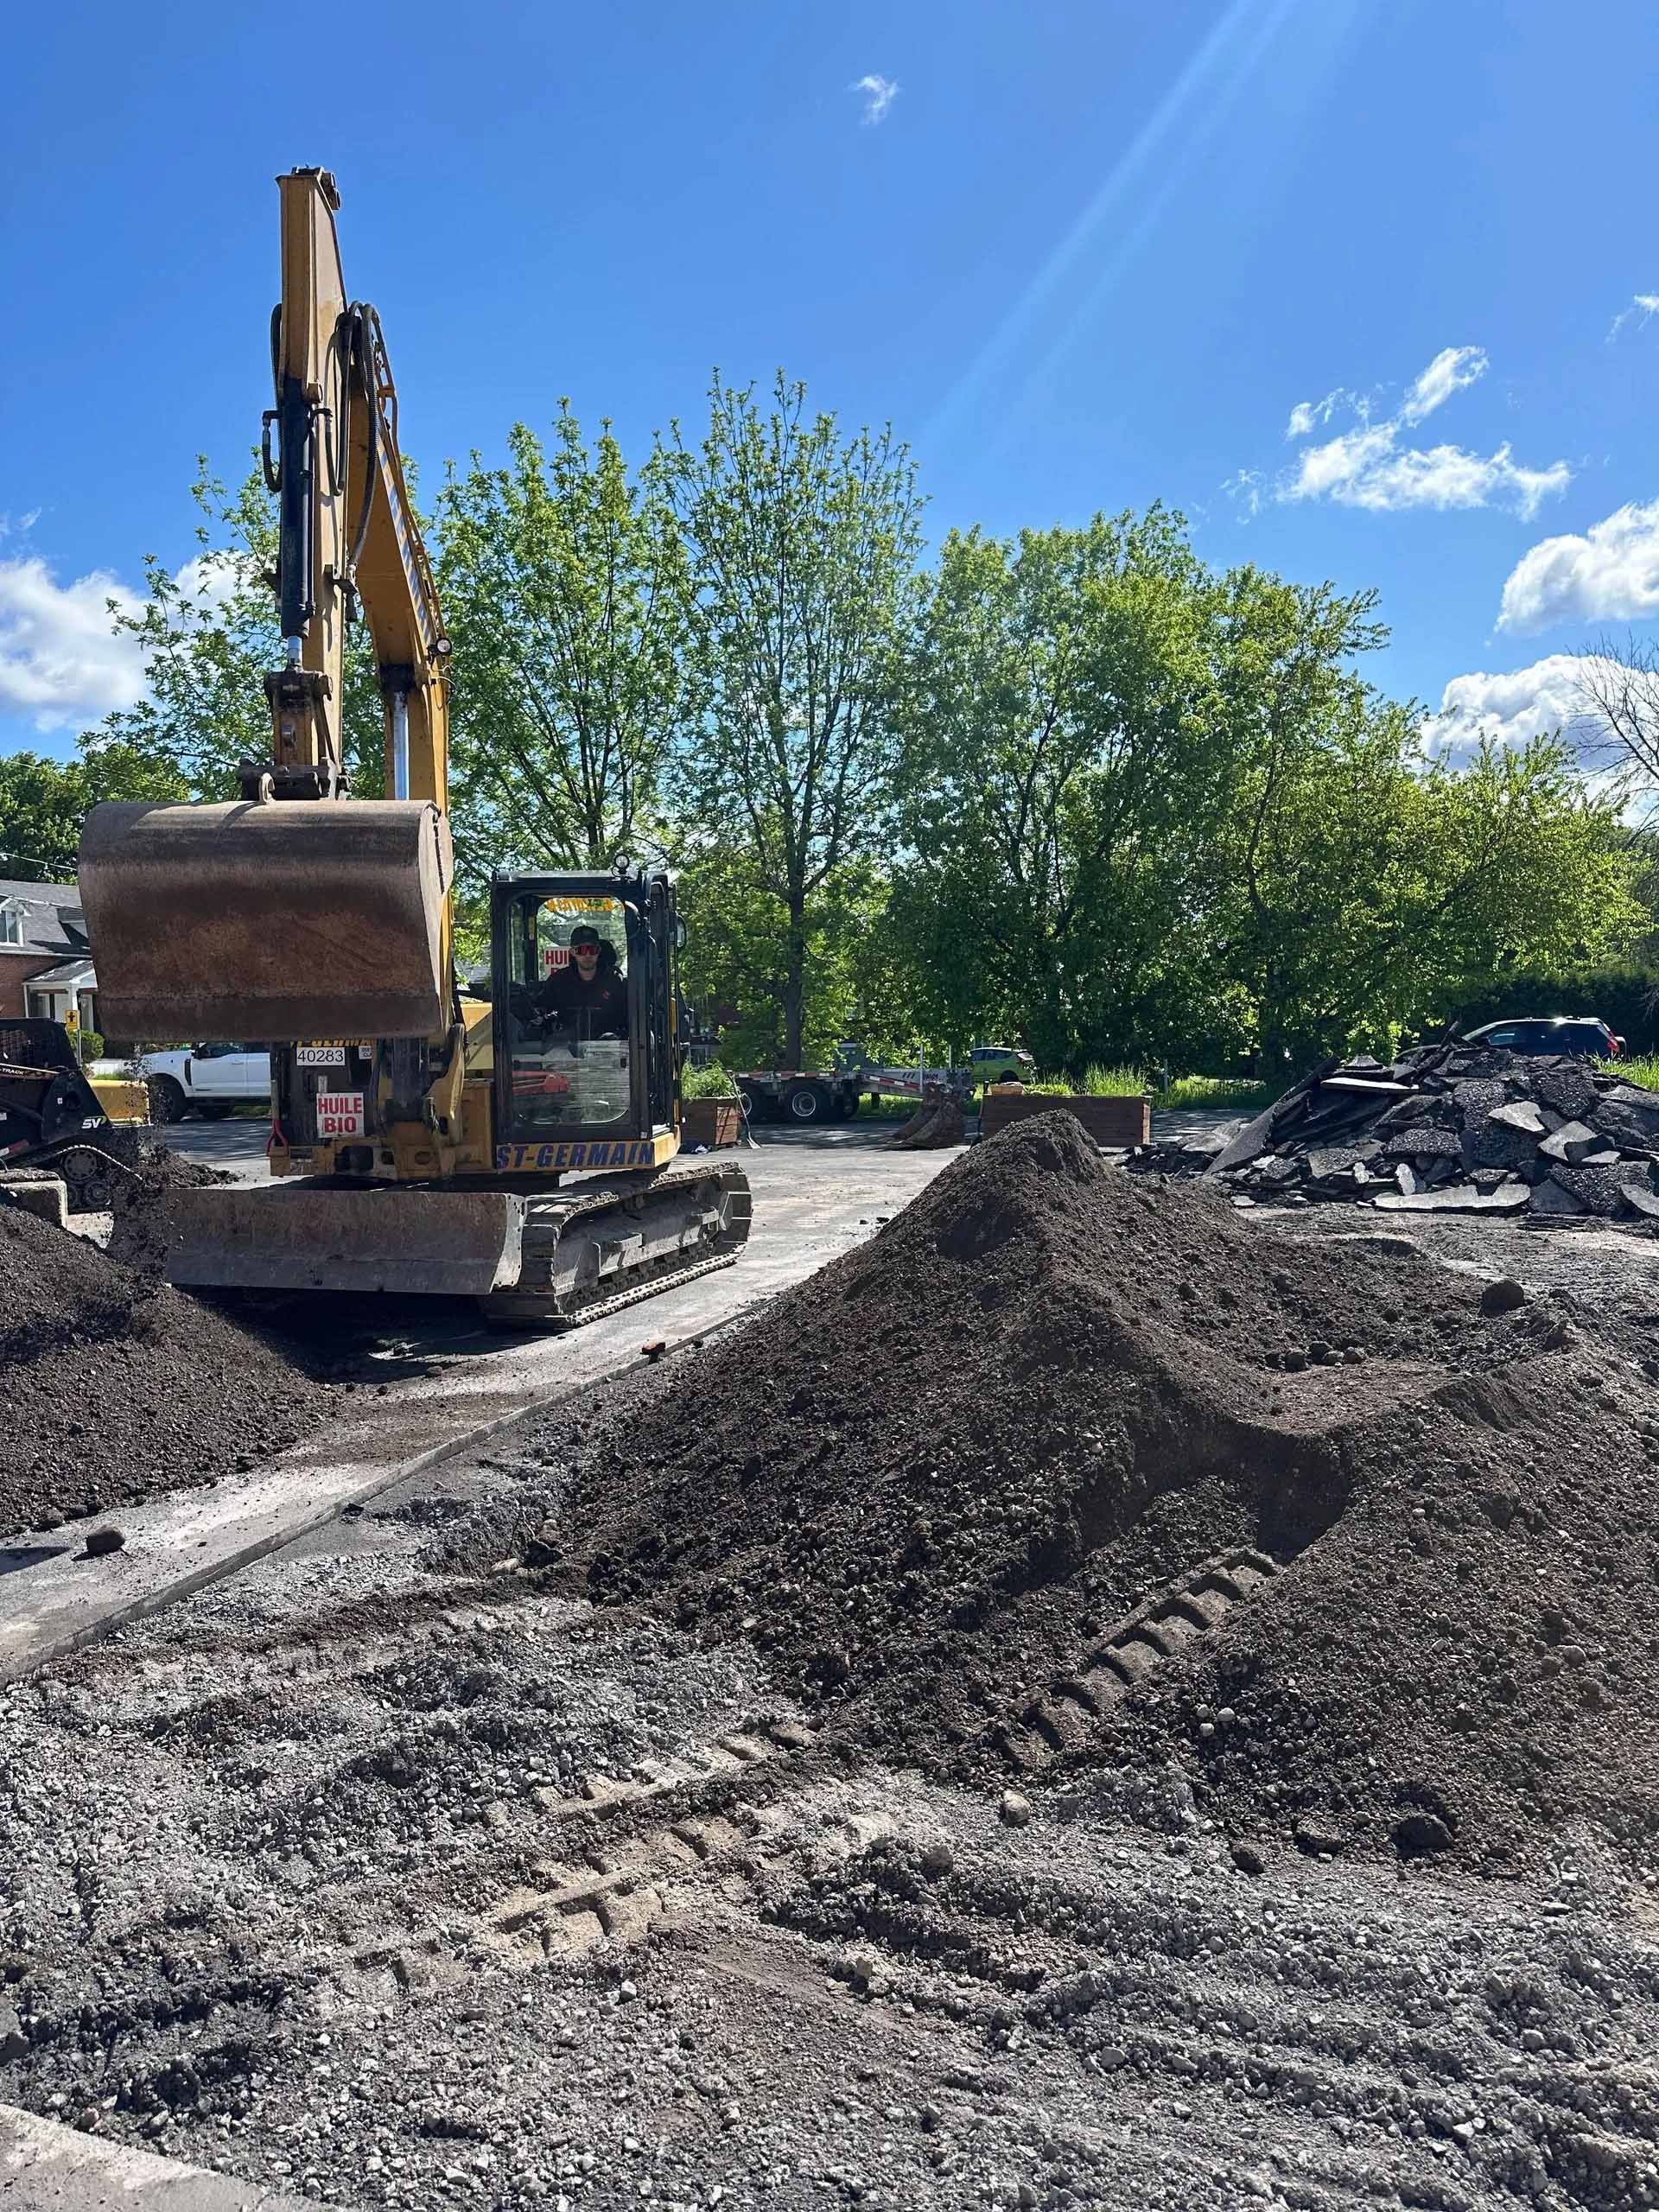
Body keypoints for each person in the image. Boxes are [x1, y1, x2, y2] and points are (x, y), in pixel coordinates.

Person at [532, 924, 627, 1038]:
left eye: (592, 950)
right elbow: (541, 1008)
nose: (587, 955)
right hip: (565, 1048)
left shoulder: (615, 980)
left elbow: (629, 1018)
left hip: (608, 1047)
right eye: (581, 950)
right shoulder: (558, 981)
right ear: (573, 952)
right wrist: (538, 1016)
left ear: (599, 951)